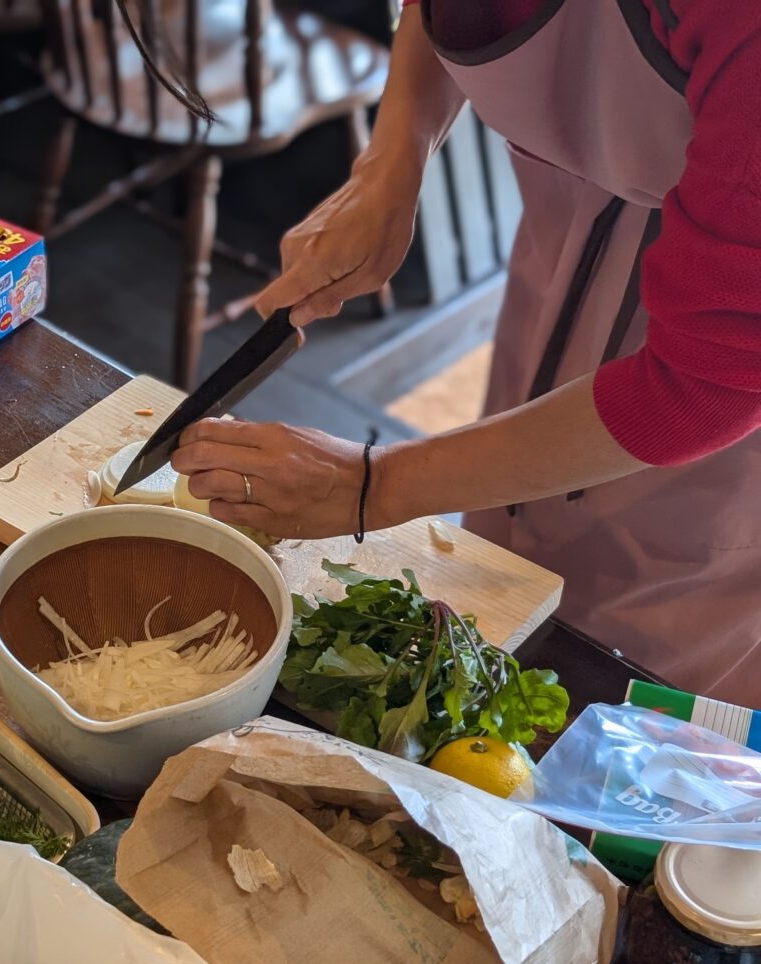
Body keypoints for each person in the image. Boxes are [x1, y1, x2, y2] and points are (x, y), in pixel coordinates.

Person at [140, 1, 761, 705]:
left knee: (625, 675)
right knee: (503, 574)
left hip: (722, 392)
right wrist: (391, 163)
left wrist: (376, 485)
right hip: (567, 236)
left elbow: (702, 388)